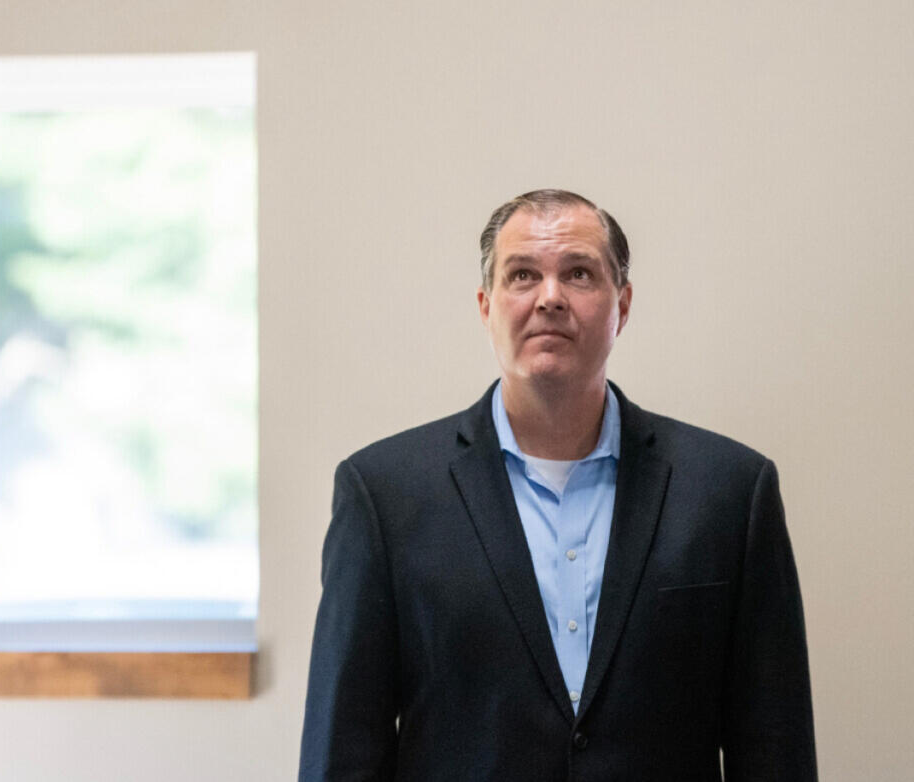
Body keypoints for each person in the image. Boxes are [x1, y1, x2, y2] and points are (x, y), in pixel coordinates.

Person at [299, 189, 817, 781]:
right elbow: (343, 751)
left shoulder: (729, 491)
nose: (550, 297)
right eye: (522, 275)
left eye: (578, 273)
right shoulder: (384, 495)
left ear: (622, 305)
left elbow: (774, 745)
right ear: (486, 307)